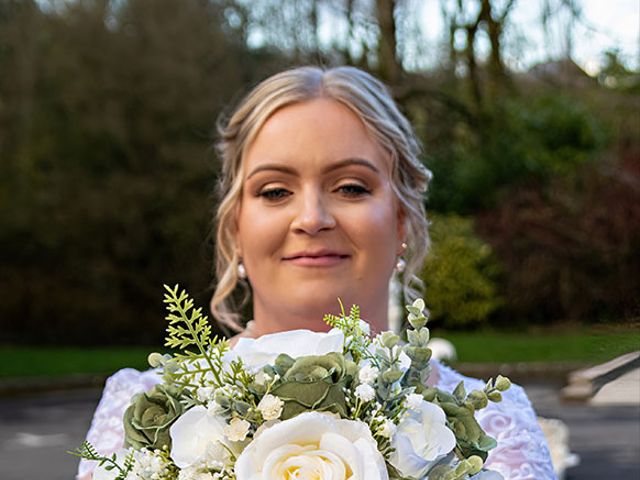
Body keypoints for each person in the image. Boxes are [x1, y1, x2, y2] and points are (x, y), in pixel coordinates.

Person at [77, 66, 556, 480]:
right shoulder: (141, 413)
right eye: (274, 191)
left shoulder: (493, 422)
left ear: (402, 218)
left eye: (349, 187)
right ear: (236, 225)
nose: (311, 218)